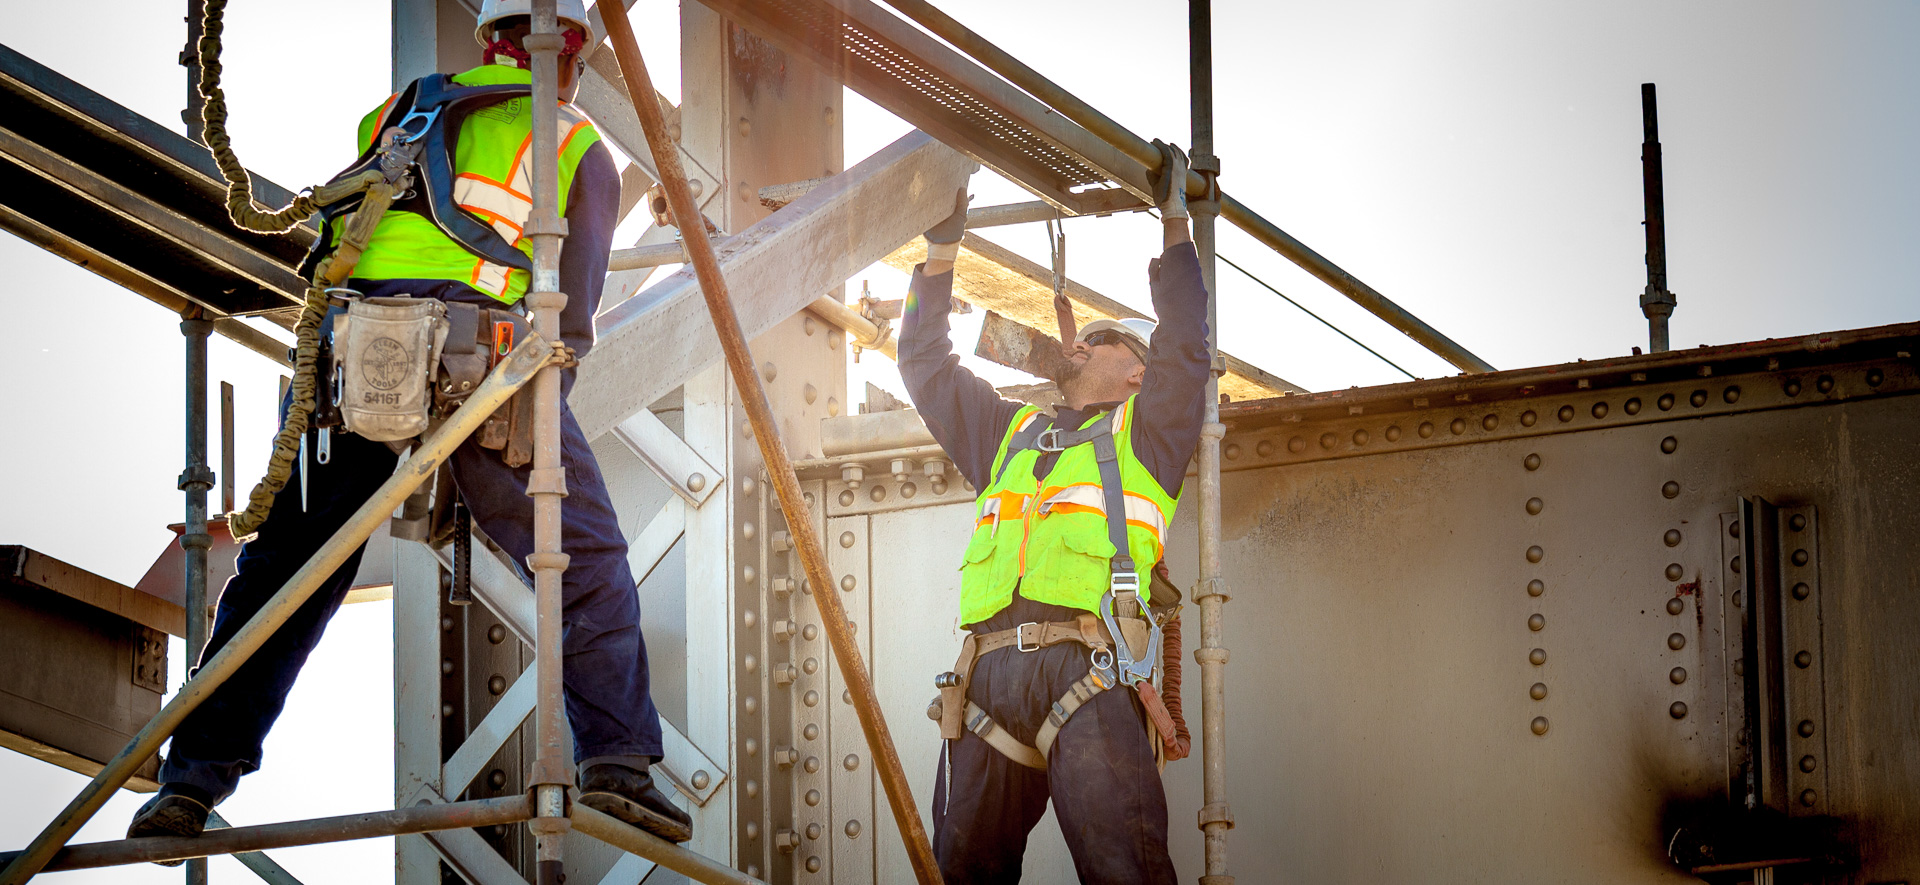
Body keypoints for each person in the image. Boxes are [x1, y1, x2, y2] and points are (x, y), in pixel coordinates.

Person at [128, 0, 692, 851]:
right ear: (575, 59)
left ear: (487, 40)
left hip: (348, 360)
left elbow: (345, 233)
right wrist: (509, 459)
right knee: (584, 560)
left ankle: (187, 783)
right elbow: (571, 325)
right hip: (483, 362)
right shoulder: (578, 144)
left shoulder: (398, 112)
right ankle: (617, 765)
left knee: (284, 573)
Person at [897, 143, 1209, 883]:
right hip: (986, 685)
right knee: (959, 873)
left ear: (1136, 371)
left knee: (1123, 871)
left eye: (1096, 339)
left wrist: (1174, 226)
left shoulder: (1149, 434)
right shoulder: (1008, 433)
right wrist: (941, 254)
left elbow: (1188, 347)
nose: (1076, 342)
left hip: (1089, 673)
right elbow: (923, 362)